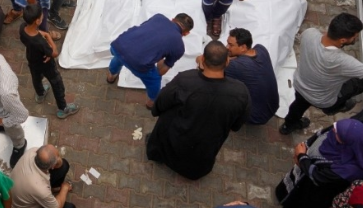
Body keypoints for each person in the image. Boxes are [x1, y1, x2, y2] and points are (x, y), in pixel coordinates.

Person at [279, 13, 363, 134]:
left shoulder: (309, 33)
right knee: (361, 82)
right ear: (342, 40)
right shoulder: (342, 61)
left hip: (300, 85)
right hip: (322, 100)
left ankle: (288, 126)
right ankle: (333, 108)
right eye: (354, 37)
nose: (355, 39)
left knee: (298, 106)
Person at [146, 41, 250, 180]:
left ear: (202, 59)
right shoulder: (240, 91)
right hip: (202, 156)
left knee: (166, 114)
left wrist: (156, 111)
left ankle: (157, 151)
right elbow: (237, 124)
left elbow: (161, 103)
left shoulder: (185, 80)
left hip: (175, 140)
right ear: (227, 62)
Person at [275, 119, 363, 208]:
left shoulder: (348, 171)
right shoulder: (336, 134)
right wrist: (302, 153)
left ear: (347, 142)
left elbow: (318, 177)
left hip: (315, 189)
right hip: (304, 169)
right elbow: (318, 135)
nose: (333, 130)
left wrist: (301, 157)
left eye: (337, 133)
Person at [107, 13, 193, 108]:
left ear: (172, 19)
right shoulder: (179, 47)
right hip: (138, 63)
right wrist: (160, 57)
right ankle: (152, 102)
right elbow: (161, 71)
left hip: (118, 45)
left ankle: (111, 76)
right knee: (155, 79)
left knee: (119, 57)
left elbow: (143, 30)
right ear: (186, 33)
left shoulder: (158, 17)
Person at [20, 3, 80, 118]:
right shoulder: (40, 42)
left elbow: (35, 33)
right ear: (37, 21)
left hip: (32, 59)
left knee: (36, 77)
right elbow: (54, 53)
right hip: (46, 64)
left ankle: (40, 94)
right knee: (57, 83)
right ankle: (63, 108)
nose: (43, 16)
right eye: (42, 15)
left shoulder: (23, 27)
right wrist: (48, 37)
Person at [225, 28, 279, 125]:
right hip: (273, 106)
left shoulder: (236, 66)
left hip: (256, 116)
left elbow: (212, 65)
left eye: (231, 45)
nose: (227, 47)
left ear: (243, 47)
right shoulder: (261, 49)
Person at [11, 145, 75, 208]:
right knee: (70, 207)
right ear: (53, 166)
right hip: (22, 205)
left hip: (20, 189)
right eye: (58, 156)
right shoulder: (41, 189)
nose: (59, 158)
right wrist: (64, 188)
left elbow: (60, 164)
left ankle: (52, 189)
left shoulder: (32, 151)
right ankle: (50, 194)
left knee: (64, 166)